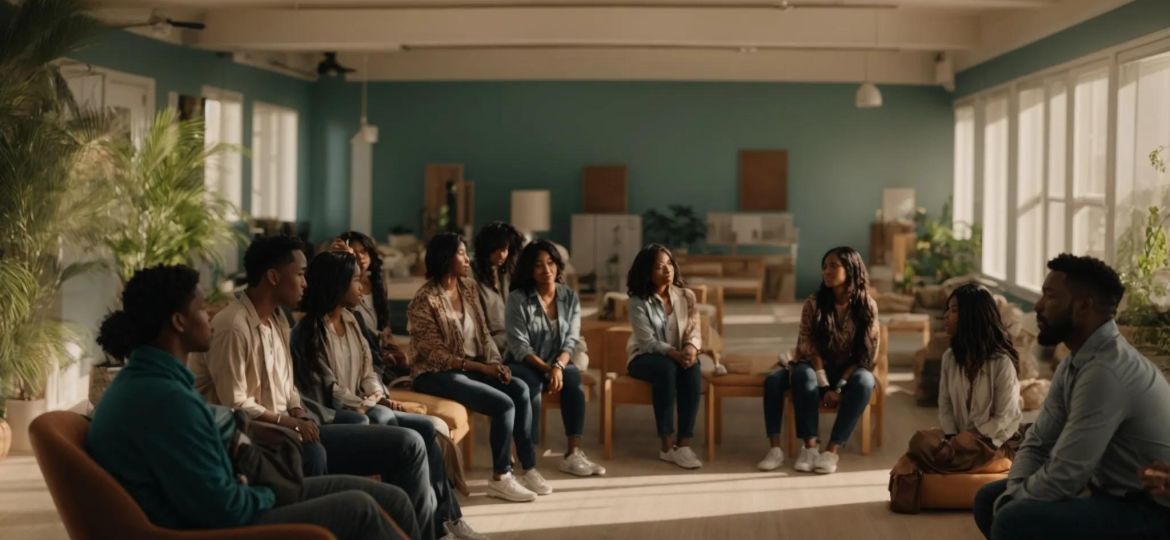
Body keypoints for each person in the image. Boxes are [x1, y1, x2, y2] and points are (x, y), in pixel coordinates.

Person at [88, 264, 418, 540]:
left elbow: (206, 430)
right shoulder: (163, 398)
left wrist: (248, 430)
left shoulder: (152, 380)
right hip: (225, 524)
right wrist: (273, 491)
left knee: (393, 498)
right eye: (202, 308)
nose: (210, 315)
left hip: (235, 498)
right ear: (178, 322)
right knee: (360, 507)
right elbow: (224, 507)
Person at [189, 235, 439, 539]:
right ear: (273, 276)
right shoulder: (233, 326)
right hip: (257, 436)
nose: (306, 283)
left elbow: (288, 386)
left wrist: (296, 409)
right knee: (314, 452)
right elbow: (235, 404)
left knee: (409, 443)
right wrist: (289, 420)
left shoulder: (278, 321)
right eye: (300, 274)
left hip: (291, 423)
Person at [973, 254, 1170, 540]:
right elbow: (1039, 443)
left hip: (1151, 508)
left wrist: (1014, 503)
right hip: (1108, 492)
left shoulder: (1107, 372)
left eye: (1050, 296)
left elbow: (1067, 474)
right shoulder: (1076, 362)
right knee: (989, 501)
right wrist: (1015, 491)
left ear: (1083, 306)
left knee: (1012, 521)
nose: (1038, 306)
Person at [291, 251, 484, 540]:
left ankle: (444, 519)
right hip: (339, 413)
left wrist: (377, 393)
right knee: (388, 422)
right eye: (356, 281)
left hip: (366, 403)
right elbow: (330, 389)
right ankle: (420, 523)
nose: (362, 287)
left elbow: (369, 370)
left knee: (428, 428)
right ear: (337, 283)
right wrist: (374, 402)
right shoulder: (307, 333)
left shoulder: (353, 321)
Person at [408, 232, 550, 503]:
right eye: (461, 253)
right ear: (445, 258)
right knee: (503, 404)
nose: (466, 258)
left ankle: (529, 468)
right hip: (435, 374)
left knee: (519, 388)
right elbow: (435, 354)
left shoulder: (469, 287)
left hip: (472, 367)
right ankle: (500, 477)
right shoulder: (424, 299)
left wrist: (495, 363)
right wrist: (480, 368)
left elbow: (483, 332)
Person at [504, 240, 605, 477]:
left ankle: (573, 453)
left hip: (558, 360)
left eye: (550, 263)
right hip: (524, 362)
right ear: (529, 269)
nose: (546, 269)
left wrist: (558, 366)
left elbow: (571, 339)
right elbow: (519, 346)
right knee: (531, 384)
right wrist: (546, 368)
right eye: (538, 265)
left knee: (573, 383)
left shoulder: (569, 297)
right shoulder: (517, 298)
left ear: (558, 266)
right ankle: (525, 449)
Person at [785, 246, 878, 475]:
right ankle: (809, 448)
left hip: (850, 370)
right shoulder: (813, 304)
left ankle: (831, 450)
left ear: (851, 268)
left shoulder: (867, 306)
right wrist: (825, 384)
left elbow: (865, 355)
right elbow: (807, 346)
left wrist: (839, 387)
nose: (826, 271)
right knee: (801, 375)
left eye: (833, 266)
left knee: (865, 381)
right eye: (824, 267)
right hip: (818, 368)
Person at [625, 244, 704, 470]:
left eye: (669, 264)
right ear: (647, 272)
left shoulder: (686, 296)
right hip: (643, 358)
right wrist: (674, 354)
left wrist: (690, 348)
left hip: (679, 356)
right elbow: (647, 341)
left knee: (693, 366)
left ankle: (684, 445)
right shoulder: (637, 301)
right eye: (659, 267)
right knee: (666, 368)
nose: (667, 270)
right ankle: (667, 446)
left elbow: (694, 329)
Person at [331, 231, 410, 377]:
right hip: (356, 346)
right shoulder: (342, 286)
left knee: (404, 364)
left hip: (378, 345)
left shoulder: (377, 283)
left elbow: (384, 321)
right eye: (354, 252)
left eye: (363, 251)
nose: (360, 256)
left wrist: (386, 334)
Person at [472, 221, 524, 353]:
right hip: (489, 344)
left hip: (514, 339)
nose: (501, 255)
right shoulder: (471, 275)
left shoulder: (507, 273)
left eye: (504, 249)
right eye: (496, 250)